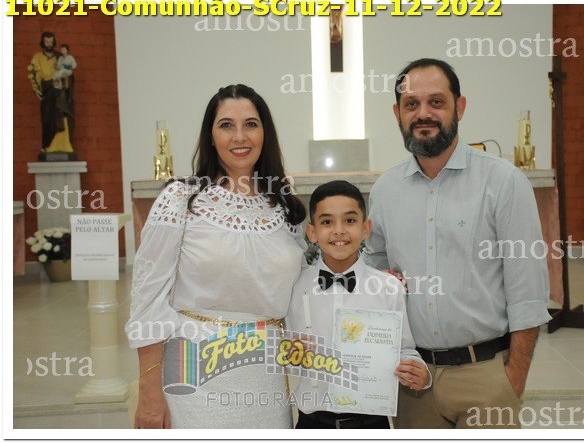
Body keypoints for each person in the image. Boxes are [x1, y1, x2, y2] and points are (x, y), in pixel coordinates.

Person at [363, 58, 551, 428]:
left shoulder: (503, 182)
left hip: (485, 377)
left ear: (459, 107)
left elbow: (528, 291)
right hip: (412, 380)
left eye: (436, 102)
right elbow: (374, 271)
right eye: (411, 104)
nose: (423, 113)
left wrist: (513, 379)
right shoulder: (386, 190)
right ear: (397, 114)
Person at [126, 84, 307, 428]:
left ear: (265, 133)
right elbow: (147, 300)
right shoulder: (181, 199)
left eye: (251, 124)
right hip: (195, 373)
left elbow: (305, 286)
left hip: (265, 377)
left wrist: (373, 285)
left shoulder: (283, 205)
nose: (240, 136)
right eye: (226, 125)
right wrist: (149, 392)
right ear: (210, 136)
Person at [286, 180, 431, 429]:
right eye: (327, 222)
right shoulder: (294, 287)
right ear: (312, 232)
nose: (339, 231)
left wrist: (420, 372)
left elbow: (404, 350)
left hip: (372, 423)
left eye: (350, 220)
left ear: (366, 229)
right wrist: (289, 352)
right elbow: (284, 349)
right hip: (312, 423)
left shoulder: (389, 288)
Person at [28, 32, 74, 152]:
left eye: (51, 41)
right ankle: (48, 146)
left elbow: (68, 72)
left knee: (62, 114)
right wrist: (37, 89)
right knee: (47, 118)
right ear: (42, 42)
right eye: (46, 41)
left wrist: (65, 79)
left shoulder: (60, 57)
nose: (49, 44)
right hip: (47, 90)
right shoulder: (37, 57)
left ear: (54, 42)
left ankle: (63, 146)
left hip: (59, 90)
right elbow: (34, 75)